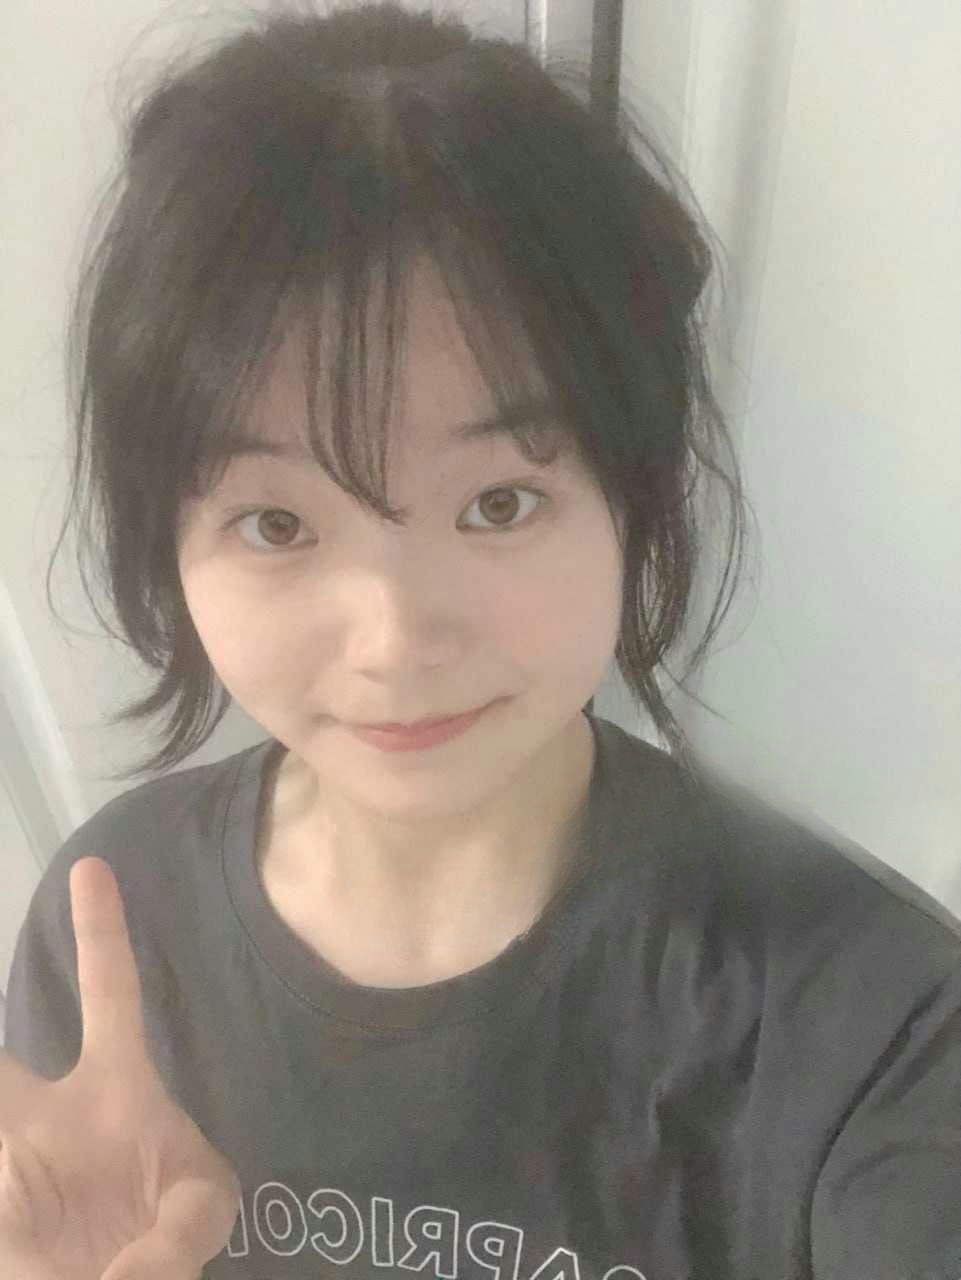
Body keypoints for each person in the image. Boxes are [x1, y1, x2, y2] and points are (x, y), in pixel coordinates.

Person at [2, 2, 960, 1277]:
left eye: (499, 502)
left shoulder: (871, 1022)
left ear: (631, 494)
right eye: (277, 522)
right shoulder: (113, 922)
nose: (397, 639)